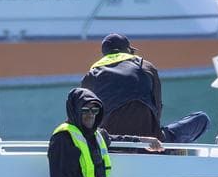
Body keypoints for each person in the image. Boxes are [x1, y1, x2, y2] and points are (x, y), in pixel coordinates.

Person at [81, 33, 210, 143]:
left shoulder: (90, 75)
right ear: (128, 51)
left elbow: (87, 118)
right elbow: (157, 110)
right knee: (202, 119)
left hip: (109, 143)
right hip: (151, 143)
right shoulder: (146, 67)